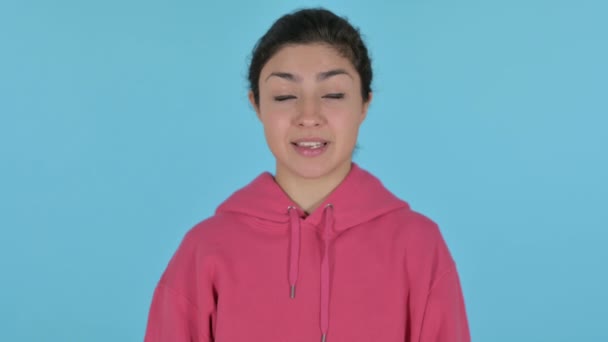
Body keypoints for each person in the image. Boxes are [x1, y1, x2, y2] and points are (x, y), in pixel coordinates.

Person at [144, 7, 470, 342]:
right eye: (285, 96)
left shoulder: (418, 245)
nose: (309, 116)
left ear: (364, 105)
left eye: (333, 95)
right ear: (256, 105)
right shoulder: (205, 249)